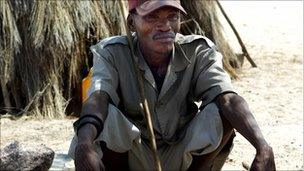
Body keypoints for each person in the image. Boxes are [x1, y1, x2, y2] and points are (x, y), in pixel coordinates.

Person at [68, 0, 276, 170]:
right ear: (131, 22)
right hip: (133, 155)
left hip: (181, 153)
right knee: (105, 117)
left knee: (222, 111)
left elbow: (228, 98)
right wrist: (85, 145)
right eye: (152, 17)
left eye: (172, 17)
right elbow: (98, 97)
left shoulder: (198, 51)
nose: (165, 26)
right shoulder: (112, 52)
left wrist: (263, 147)